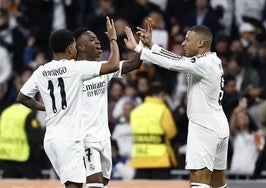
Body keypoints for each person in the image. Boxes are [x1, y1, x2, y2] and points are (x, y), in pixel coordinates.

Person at [16, 16, 120, 188]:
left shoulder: (42, 71)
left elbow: (22, 97)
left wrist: (45, 108)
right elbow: (113, 65)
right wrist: (113, 39)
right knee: (75, 186)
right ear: (71, 48)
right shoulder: (75, 68)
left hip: (51, 139)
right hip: (70, 138)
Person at [124, 19, 229, 187]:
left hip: (204, 127)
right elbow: (178, 59)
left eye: (188, 39)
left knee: (199, 181)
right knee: (218, 183)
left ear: (201, 43)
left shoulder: (203, 63)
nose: (183, 42)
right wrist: (152, 46)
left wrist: (139, 49)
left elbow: (174, 63)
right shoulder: (211, 60)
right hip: (219, 125)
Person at [73, 26, 143, 188]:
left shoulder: (103, 68)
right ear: (81, 47)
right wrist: (113, 39)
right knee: (95, 181)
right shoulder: (74, 71)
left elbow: (134, 64)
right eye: (92, 39)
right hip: (84, 137)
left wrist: (142, 45)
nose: (98, 41)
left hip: (103, 137)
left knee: (103, 182)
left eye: (97, 38)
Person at [129, 83, 178, 179]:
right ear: (155, 95)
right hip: (159, 160)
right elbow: (171, 133)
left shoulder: (135, 111)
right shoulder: (163, 110)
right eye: (162, 95)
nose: (164, 98)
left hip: (140, 158)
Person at [0, 102, 45, 179]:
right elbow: (35, 138)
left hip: (7, 156)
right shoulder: (29, 113)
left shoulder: (6, 111)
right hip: (26, 157)